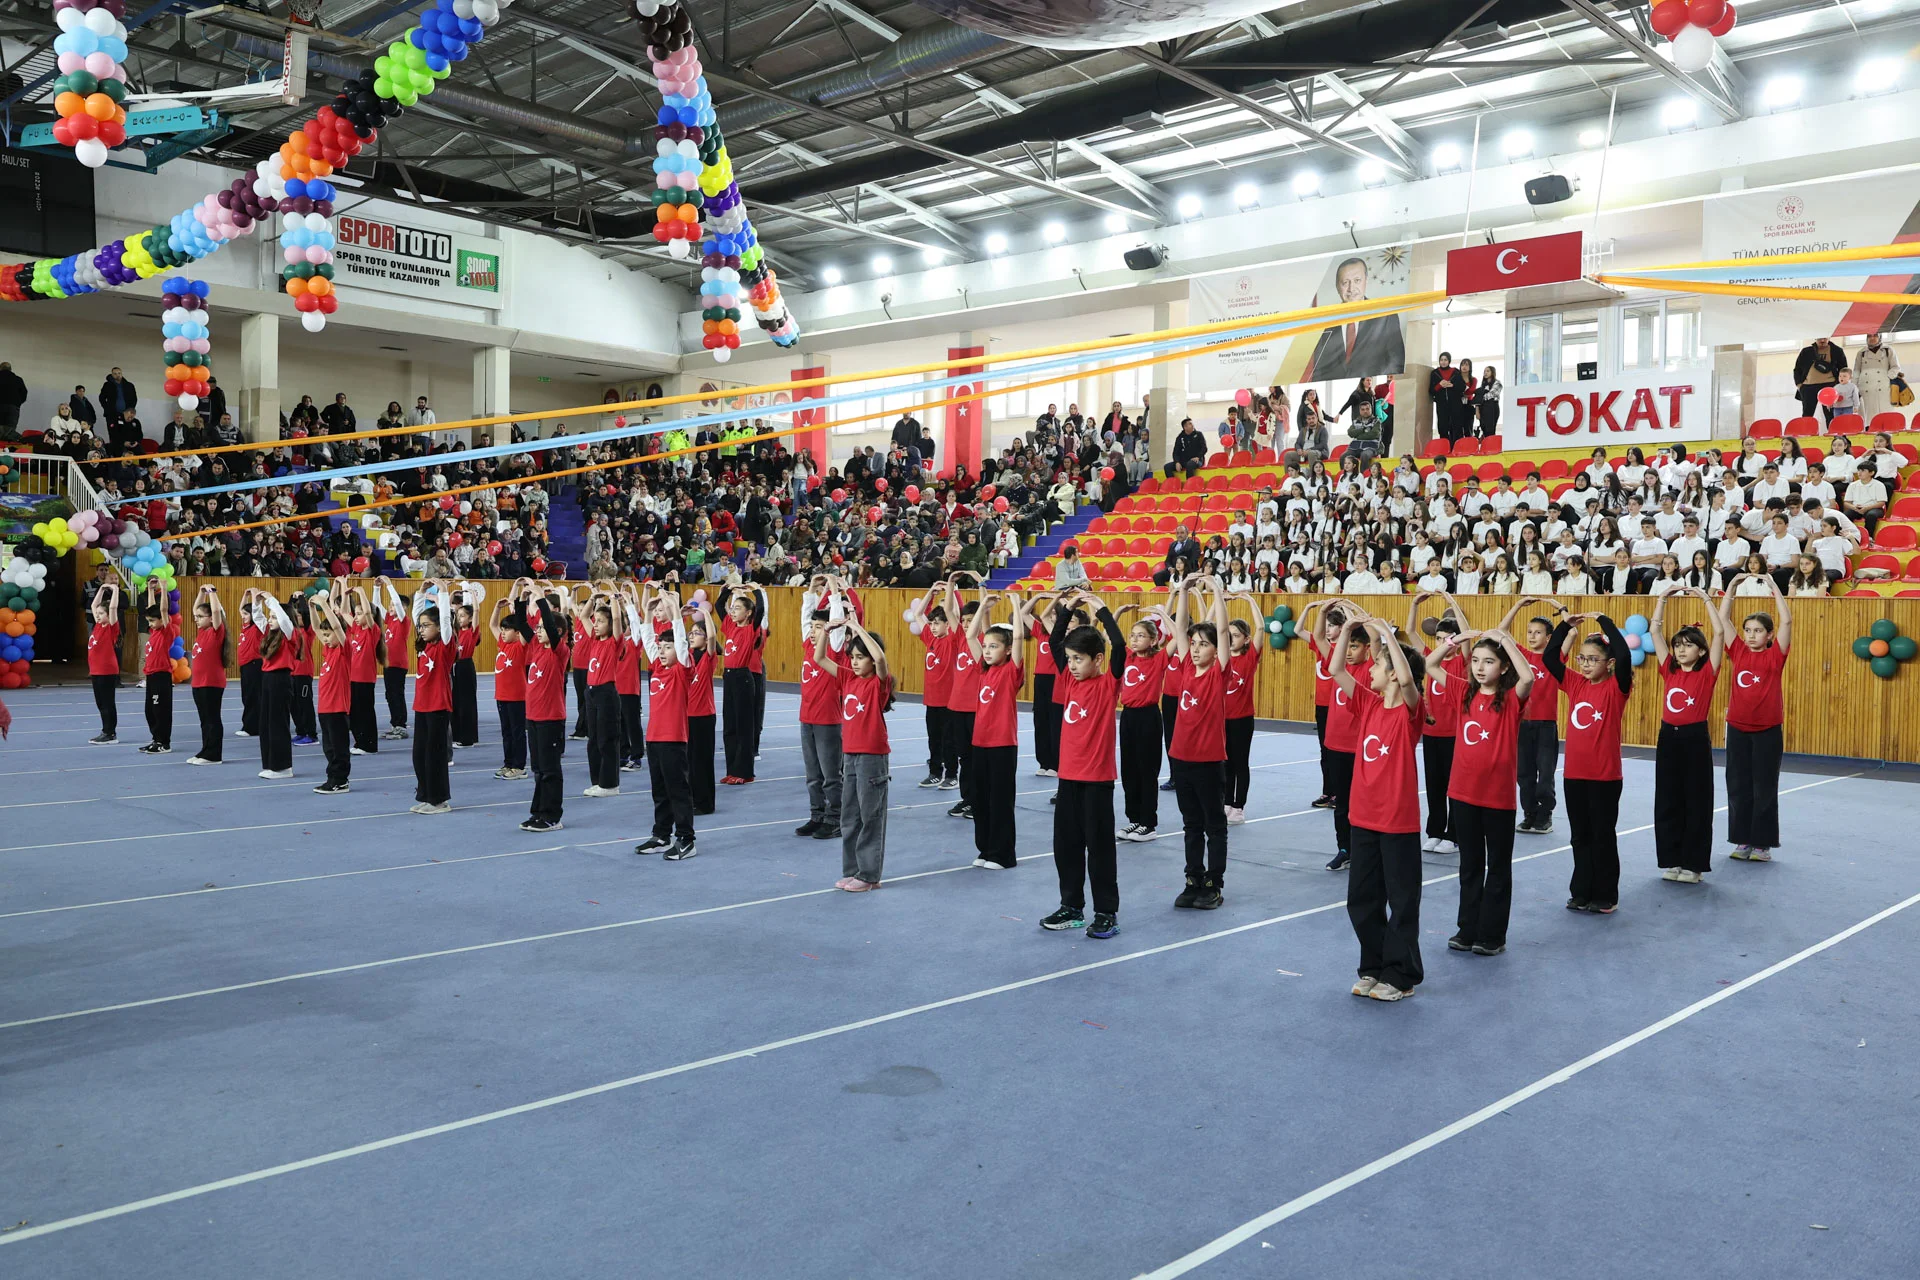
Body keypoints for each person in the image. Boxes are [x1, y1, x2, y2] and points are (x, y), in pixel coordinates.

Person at [1331, 614, 1424, 1002]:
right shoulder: (1367, 705)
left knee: (1401, 901)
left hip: (1397, 820)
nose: (1371, 668)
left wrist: (1387, 636)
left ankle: (1401, 975)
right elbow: (1336, 667)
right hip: (1363, 817)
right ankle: (1372, 966)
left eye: (1379, 664)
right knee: (1362, 901)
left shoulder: (1409, 711)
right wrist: (1351, 627)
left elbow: (1406, 681)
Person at [1437, 623, 1535, 956]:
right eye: (1476, 660)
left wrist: (1506, 640)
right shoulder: (1463, 692)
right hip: (1462, 794)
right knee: (1470, 866)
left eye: (1489, 661)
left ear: (1503, 666)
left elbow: (1529, 679)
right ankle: (1467, 929)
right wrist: (1455, 641)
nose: (1479, 667)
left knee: (1498, 867)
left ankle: (1492, 935)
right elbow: (1431, 665)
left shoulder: (1510, 700)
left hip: (1497, 799)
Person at [1039, 588, 1127, 936]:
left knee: (1100, 849)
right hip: (1069, 779)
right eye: (1070, 659)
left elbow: (1119, 646)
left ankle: (1106, 912)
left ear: (1097, 660)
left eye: (1079, 659)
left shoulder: (1107, 685)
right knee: (1067, 847)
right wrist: (1068, 607)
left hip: (1097, 781)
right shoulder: (1067, 681)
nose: (1072, 665)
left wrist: (1101, 608)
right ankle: (1071, 906)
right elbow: (1053, 641)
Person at [1543, 610, 1632, 914]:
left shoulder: (1617, 687)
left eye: (1593, 659)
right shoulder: (1576, 684)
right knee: (1580, 836)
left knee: (1602, 836)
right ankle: (1581, 891)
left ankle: (1605, 894)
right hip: (1575, 774)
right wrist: (1564, 626)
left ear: (1609, 664)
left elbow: (1622, 651)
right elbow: (1550, 659)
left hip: (1604, 776)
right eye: (1582, 658)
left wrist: (1605, 621)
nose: (1585, 664)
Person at [813, 587, 893, 891]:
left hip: (873, 756)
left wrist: (857, 627)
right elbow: (820, 657)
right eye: (853, 657)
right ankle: (853, 869)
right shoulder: (847, 677)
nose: (857, 662)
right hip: (851, 754)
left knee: (870, 816)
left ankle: (869, 875)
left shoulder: (878, 683)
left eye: (861, 657)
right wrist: (829, 629)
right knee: (850, 816)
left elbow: (881, 659)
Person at [1648, 588, 1726, 884]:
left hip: (1694, 739)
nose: (1681, 650)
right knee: (1668, 799)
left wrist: (1705, 599)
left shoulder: (1708, 672)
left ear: (1701, 651)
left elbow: (1718, 634)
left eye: (1688, 645)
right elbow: (1655, 632)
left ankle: (1693, 864)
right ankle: (1672, 859)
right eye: (1677, 645)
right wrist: (1662, 599)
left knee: (1696, 801)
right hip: (1668, 738)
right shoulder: (1669, 670)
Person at [1166, 575, 1231, 908]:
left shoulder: (1219, 672)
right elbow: (1180, 629)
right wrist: (1183, 591)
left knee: (1213, 824)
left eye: (1203, 644)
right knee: (1191, 823)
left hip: (1208, 760)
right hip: (1181, 758)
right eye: (1194, 644)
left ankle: (1213, 883)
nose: (1195, 648)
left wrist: (1216, 590)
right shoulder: (1185, 668)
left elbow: (1221, 631)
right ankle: (1193, 878)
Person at [1719, 575, 1791, 863]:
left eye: (1758, 631)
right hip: (1737, 728)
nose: (1750, 635)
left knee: (1764, 786)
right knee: (1738, 785)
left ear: (1769, 635)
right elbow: (1723, 620)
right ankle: (1741, 841)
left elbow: (1786, 622)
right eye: (1748, 630)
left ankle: (1762, 844)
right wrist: (1732, 589)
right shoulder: (1736, 651)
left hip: (1767, 731)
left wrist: (1774, 587)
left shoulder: (1775, 656)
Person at [963, 590, 1027, 870]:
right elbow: (969, 637)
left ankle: (1003, 854)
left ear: (1008, 650)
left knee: (1000, 800)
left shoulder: (1011, 672)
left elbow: (1019, 639)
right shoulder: (985, 671)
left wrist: (1015, 604)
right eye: (986, 646)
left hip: (1002, 745)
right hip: (980, 742)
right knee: (980, 798)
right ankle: (986, 848)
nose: (987, 651)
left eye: (994, 647)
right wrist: (983, 607)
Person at [635, 585, 698, 860]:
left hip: (674, 739)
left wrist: (674, 612)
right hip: (654, 738)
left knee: (677, 791)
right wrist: (648, 614)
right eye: (661, 647)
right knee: (659, 791)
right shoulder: (658, 667)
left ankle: (686, 839)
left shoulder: (683, 670)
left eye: (667, 647)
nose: (661, 652)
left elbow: (682, 642)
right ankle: (661, 834)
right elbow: (648, 638)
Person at [1307, 598, 1365, 871]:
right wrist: (1321, 611)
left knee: (1361, 802)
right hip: (1335, 745)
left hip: (1360, 747)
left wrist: (1356, 616)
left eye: (1355, 645)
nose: (1350, 651)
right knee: (1341, 804)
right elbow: (1318, 636)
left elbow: (1374, 642)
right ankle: (1345, 849)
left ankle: (1365, 847)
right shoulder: (1336, 663)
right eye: (1348, 645)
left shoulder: (1370, 668)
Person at [1410, 592, 1467, 857]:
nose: (1443, 643)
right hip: (1431, 733)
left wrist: (1452, 604)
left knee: (1454, 786)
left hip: (1454, 735)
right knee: (1433, 785)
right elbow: (1410, 632)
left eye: (1448, 639)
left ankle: (1454, 835)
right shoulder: (1429, 659)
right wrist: (1414, 605)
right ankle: (1434, 831)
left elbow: (1466, 633)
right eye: (1439, 639)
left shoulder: (1462, 662)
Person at [518, 584, 571, 832]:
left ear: (558, 632)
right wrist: (521, 600)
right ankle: (538, 812)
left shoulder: (560, 652)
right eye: (537, 628)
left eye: (541, 628)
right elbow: (522, 626)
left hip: (551, 718)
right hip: (534, 717)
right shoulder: (537, 648)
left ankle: (552, 816)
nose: (538, 632)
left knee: (550, 769)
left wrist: (540, 599)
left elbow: (549, 624)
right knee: (538, 769)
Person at [1303, 256, 1407, 380]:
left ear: (1366, 281)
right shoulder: (1324, 323)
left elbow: (1396, 362)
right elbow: (1318, 370)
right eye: (1345, 282)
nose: (1351, 289)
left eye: (1357, 280)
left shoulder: (1385, 317)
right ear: (1337, 286)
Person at [795, 583, 845, 840]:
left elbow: (835, 624)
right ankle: (817, 815)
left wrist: (835, 593)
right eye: (812, 627)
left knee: (830, 776)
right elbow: (806, 617)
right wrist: (810, 593)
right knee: (812, 775)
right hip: (807, 719)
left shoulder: (833, 651)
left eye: (818, 628)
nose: (813, 632)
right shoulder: (807, 647)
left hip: (828, 721)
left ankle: (835, 818)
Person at [1116, 603, 1166, 842]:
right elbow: (1111, 636)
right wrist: (1117, 613)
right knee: (1129, 770)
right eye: (1132, 636)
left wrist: (1162, 615)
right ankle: (1134, 819)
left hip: (1148, 717)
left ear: (1154, 641)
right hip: (1127, 716)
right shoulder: (1128, 656)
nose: (1135, 640)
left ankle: (1149, 822)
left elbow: (1178, 636)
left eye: (1141, 636)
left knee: (1147, 770)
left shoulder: (1158, 661)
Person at [1516, 602, 1566, 834]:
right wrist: (1517, 605)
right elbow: (1502, 633)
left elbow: (1572, 631)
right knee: (1524, 773)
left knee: (1545, 773)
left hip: (1546, 724)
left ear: (1549, 637)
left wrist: (1559, 606)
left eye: (1538, 632)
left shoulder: (1554, 658)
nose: (1532, 636)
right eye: (1529, 631)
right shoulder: (1522, 656)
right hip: (1522, 723)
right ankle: (1529, 813)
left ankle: (1545, 815)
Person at [409, 582, 456, 813]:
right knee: (419, 755)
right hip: (422, 706)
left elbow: (447, 621)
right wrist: (420, 592)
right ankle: (426, 796)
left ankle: (439, 800)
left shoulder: (445, 646)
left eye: (427, 626)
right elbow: (416, 615)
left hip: (438, 706)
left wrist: (444, 594)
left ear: (438, 628)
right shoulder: (423, 647)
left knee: (434, 755)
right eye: (421, 626)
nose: (422, 629)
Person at [717, 582, 766, 784]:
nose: (733, 611)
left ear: (748, 614)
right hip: (728, 677)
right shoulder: (730, 626)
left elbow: (761, 609)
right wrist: (728, 588)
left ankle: (745, 773)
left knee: (744, 726)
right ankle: (732, 770)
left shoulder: (751, 628)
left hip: (743, 678)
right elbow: (720, 605)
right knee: (729, 726)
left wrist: (756, 590)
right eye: (734, 607)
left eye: (738, 608)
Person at [1221, 594, 1264, 825]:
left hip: (1242, 719)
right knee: (1225, 762)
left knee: (1240, 763)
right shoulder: (1222, 657)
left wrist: (1249, 600)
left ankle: (1238, 806)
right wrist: (1222, 603)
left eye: (1236, 636)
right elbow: (1213, 628)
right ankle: (1226, 802)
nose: (1231, 639)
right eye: (1228, 635)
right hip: (1222, 719)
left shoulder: (1249, 659)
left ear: (1246, 639)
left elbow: (1260, 627)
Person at [581, 587, 625, 798]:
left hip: (606, 693)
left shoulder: (614, 642)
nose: (596, 625)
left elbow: (616, 617)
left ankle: (610, 784)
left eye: (600, 621)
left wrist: (614, 597)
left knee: (606, 740)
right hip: (590, 693)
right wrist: (592, 598)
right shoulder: (594, 639)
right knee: (593, 740)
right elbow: (582, 615)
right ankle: (597, 782)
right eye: (595, 621)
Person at [308, 594, 354, 794]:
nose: (325, 639)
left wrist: (324, 605)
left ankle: (341, 780)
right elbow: (318, 629)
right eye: (324, 636)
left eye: (329, 635)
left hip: (338, 708)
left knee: (338, 747)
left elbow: (336, 626)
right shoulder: (328, 650)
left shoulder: (344, 650)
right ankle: (332, 778)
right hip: (325, 708)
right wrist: (311, 609)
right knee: (328, 748)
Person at [913, 586, 957, 789]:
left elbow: (954, 612)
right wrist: (931, 592)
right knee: (934, 739)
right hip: (932, 700)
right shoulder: (930, 639)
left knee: (949, 740)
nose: (932, 627)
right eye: (931, 624)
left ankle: (951, 775)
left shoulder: (953, 640)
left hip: (948, 701)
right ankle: (934, 773)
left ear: (948, 625)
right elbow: (917, 613)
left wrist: (952, 590)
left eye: (937, 624)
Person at [682, 594, 719, 816]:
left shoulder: (707, 657)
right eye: (692, 633)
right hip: (686, 715)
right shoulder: (687, 657)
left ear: (705, 640)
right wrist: (680, 614)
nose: (692, 636)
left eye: (698, 634)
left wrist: (705, 615)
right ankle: (693, 798)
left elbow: (714, 639)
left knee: (702, 761)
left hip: (703, 716)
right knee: (689, 761)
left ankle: (705, 803)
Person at [1029, 593, 1073, 778]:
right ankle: (1044, 761)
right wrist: (1044, 597)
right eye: (1054, 616)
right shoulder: (1042, 631)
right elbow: (1029, 614)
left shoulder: (1063, 637)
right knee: (1040, 720)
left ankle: (1056, 762)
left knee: (1055, 722)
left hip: (1057, 680)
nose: (1054, 618)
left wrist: (1064, 603)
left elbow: (1049, 618)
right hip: (1041, 679)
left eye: (1058, 616)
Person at [185, 586, 230, 765]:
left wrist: (212, 593)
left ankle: (213, 754)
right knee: (204, 720)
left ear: (211, 619)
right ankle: (205, 750)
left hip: (211, 683)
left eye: (200, 617)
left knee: (211, 719)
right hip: (199, 683)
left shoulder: (216, 632)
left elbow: (217, 610)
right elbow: (196, 608)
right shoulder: (202, 632)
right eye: (196, 617)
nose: (196, 619)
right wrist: (201, 593)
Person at [254, 592, 296, 780]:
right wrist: (256, 602)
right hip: (268, 679)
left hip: (281, 679)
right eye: (270, 617)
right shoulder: (270, 635)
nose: (270, 620)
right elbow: (257, 618)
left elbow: (284, 619)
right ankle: (271, 764)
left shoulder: (289, 635)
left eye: (273, 617)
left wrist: (271, 600)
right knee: (266, 723)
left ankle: (283, 766)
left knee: (278, 723)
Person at [490, 587, 529, 780]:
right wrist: (497, 608)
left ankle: (519, 766)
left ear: (517, 632)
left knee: (517, 732)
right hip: (502, 696)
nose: (503, 632)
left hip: (516, 697)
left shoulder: (520, 646)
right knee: (506, 733)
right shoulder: (503, 644)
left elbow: (524, 624)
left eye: (507, 630)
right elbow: (492, 626)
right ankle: (508, 763)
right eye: (503, 629)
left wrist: (520, 602)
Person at [341, 584, 383, 756]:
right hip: (353, 677)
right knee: (355, 712)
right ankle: (360, 741)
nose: (356, 617)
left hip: (365, 678)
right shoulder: (356, 629)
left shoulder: (373, 631)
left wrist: (362, 593)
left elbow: (367, 612)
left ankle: (369, 744)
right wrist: (344, 590)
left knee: (365, 712)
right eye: (356, 614)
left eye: (359, 614)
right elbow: (344, 613)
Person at [138, 580, 178, 755]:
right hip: (151, 676)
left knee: (160, 710)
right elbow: (152, 608)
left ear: (163, 620)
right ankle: (156, 739)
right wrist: (150, 590)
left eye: (153, 621)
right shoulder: (154, 631)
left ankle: (164, 742)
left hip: (162, 676)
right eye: (149, 621)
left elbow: (162, 611)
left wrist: (162, 588)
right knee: (150, 711)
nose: (151, 624)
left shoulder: (167, 631)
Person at [87, 582, 123, 744]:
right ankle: (105, 730)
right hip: (96, 671)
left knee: (107, 702)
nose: (98, 615)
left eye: (102, 613)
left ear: (109, 615)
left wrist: (114, 590)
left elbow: (113, 608)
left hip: (106, 671)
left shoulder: (111, 628)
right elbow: (94, 605)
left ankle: (110, 733)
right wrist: (101, 589)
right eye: (98, 613)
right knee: (100, 703)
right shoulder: (98, 626)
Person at [379, 578, 411, 740]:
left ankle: (401, 726)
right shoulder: (390, 620)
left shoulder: (404, 621)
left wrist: (389, 584)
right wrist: (377, 588)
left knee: (397, 694)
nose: (391, 607)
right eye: (390, 605)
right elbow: (377, 606)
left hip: (398, 664)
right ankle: (395, 725)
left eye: (393, 605)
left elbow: (398, 605)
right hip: (388, 663)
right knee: (390, 694)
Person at [450, 587, 482, 750]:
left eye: (462, 616)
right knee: (455, 702)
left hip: (465, 667)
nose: (459, 618)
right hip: (454, 667)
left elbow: (476, 610)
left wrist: (472, 595)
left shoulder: (472, 631)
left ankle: (468, 738)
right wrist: (450, 595)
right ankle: (457, 735)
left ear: (470, 619)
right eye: (458, 615)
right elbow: (447, 612)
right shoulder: (455, 631)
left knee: (466, 703)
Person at [1792, 336, 1846, 420]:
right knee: (1807, 415)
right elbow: (1797, 369)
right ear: (1815, 338)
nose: (1822, 340)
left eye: (1825, 338)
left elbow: (1843, 369)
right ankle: (1807, 433)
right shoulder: (1806, 351)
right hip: (1808, 386)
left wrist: (1839, 385)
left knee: (1831, 414)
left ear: (1829, 338)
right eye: (1820, 338)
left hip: (1829, 385)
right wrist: (1799, 385)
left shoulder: (1837, 350)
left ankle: (1833, 433)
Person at [1854, 333, 1901, 420]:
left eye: (1875, 336)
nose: (1872, 338)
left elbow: (1896, 367)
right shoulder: (1861, 352)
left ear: (1880, 337)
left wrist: (1887, 377)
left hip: (1883, 388)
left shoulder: (1888, 350)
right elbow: (1856, 370)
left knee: (1885, 415)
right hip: (1866, 388)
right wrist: (1854, 386)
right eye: (1869, 336)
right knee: (1867, 417)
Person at [1429, 352, 1467, 444]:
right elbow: (1431, 390)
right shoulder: (1435, 373)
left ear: (1449, 361)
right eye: (1441, 360)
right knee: (1442, 426)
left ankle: (1457, 447)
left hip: (1455, 405)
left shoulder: (1456, 372)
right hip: (1442, 405)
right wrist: (1439, 385)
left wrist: (1452, 385)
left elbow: (1462, 387)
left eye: (1445, 360)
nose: (1443, 362)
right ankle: (1444, 447)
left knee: (1456, 426)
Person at [1474, 365, 1502, 437]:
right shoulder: (1483, 385)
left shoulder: (1497, 383)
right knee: (1484, 428)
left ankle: (1491, 446)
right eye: (1484, 371)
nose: (1485, 373)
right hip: (1483, 408)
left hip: (1492, 407)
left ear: (1492, 372)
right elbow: (1478, 398)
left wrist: (1480, 396)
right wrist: (1477, 410)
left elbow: (1491, 395)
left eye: (1488, 371)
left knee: (1490, 430)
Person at [0, 361, 24, 437]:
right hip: (13, 408)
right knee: (10, 431)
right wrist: (17, 404)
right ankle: (6, 448)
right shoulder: (18, 379)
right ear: (10, 369)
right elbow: (24, 393)